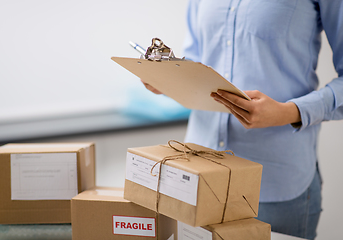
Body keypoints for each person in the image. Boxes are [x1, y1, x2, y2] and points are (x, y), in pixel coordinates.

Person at [142, 1, 343, 239]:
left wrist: (288, 111)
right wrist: (168, 77)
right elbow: (197, 59)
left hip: (274, 182)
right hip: (197, 173)